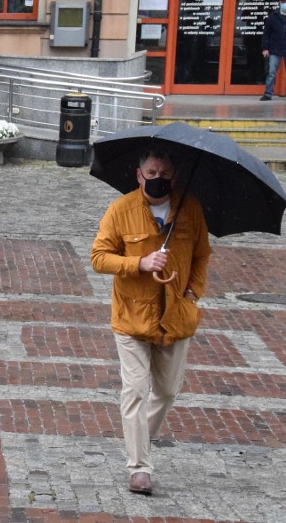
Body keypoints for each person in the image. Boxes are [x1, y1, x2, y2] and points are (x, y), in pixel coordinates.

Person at [91, 150, 211, 496]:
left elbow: (202, 253)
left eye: (166, 172)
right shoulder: (121, 210)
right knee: (135, 391)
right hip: (131, 317)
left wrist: (192, 293)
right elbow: (98, 257)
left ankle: (139, 436)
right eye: (152, 170)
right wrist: (139, 264)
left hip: (175, 317)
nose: (159, 176)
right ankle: (139, 467)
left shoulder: (190, 209)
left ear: (175, 176)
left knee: (168, 391)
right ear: (139, 174)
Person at [261, 0, 286, 101]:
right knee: (271, 71)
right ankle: (268, 93)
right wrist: (265, 48)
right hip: (275, 48)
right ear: (280, 3)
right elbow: (266, 34)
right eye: (284, 2)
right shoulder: (273, 16)